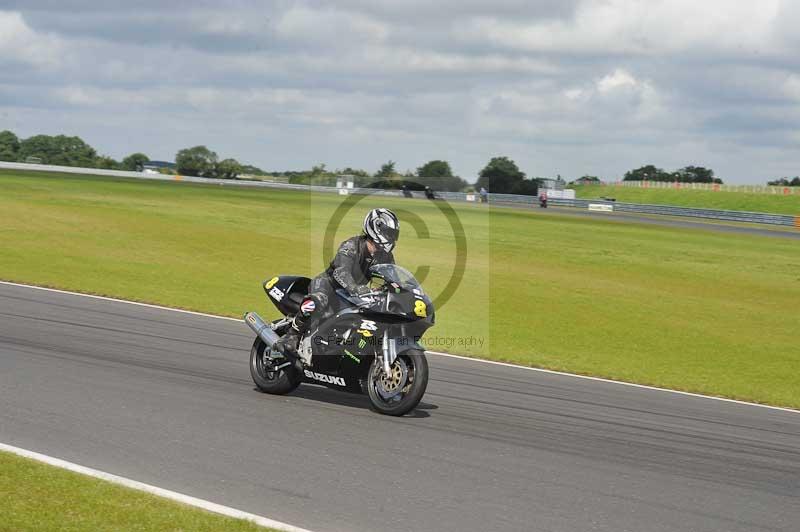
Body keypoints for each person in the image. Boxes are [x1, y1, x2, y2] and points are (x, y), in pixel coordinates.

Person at [275, 208, 399, 355]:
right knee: (318, 300)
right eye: (389, 233)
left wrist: (396, 291)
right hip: (329, 285)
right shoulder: (352, 245)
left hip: (352, 295)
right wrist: (356, 288)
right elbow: (341, 272)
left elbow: (392, 280)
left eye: (393, 234)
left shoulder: (386, 257)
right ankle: (291, 335)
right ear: (375, 228)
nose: (391, 237)